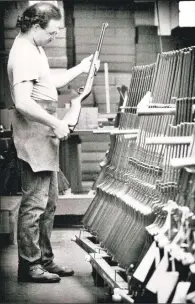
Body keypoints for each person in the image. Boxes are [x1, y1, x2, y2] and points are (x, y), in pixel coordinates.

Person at [7, 2, 99, 283]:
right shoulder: (22, 54)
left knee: (48, 203)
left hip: (43, 134)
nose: (55, 37)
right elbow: (22, 102)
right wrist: (57, 123)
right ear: (36, 26)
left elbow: (49, 83)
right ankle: (30, 265)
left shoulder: (36, 48)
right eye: (53, 33)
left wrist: (81, 68)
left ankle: (44, 260)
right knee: (34, 204)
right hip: (33, 135)